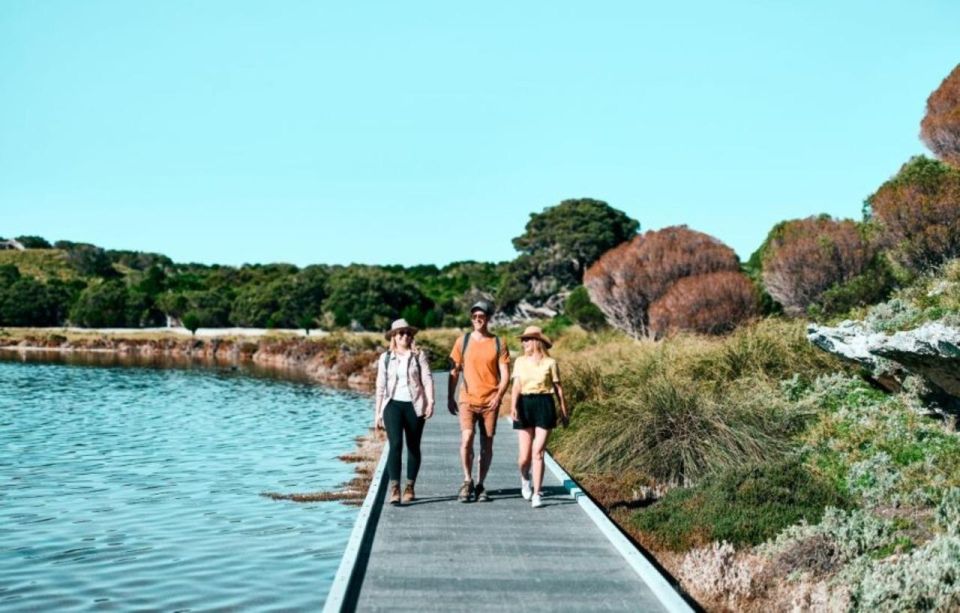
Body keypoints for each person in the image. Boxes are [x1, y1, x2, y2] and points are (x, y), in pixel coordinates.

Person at [448, 300, 510, 503]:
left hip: (490, 401)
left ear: (488, 318)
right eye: (474, 317)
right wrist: (450, 396)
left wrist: (498, 397)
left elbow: (505, 374)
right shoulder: (462, 341)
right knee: (467, 439)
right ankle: (467, 480)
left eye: (481, 316)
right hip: (468, 399)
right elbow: (455, 372)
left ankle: (481, 484)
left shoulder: (498, 342)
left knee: (486, 445)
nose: (477, 320)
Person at [375, 318, 435, 505]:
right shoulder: (385, 358)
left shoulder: (418, 356)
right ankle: (394, 488)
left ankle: (409, 486)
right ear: (394, 336)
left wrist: (430, 402)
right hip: (392, 404)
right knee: (395, 444)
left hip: (414, 405)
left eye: (408, 333)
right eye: (401, 333)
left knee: (413, 445)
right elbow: (380, 386)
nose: (405, 336)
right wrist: (377, 413)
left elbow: (427, 379)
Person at [510, 325, 569, 508]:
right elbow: (517, 386)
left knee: (538, 452)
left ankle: (537, 494)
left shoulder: (550, 363)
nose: (523, 342)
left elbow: (558, 389)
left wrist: (564, 411)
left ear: (537, 341)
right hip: (525, 404)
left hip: (545, 404)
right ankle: (524, 478)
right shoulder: (520, 361)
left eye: (527, 339)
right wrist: (513, 406)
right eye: (523, 339)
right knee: (524, 457)